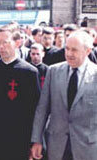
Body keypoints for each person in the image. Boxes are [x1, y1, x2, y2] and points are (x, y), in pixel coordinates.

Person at [30, 30, 97, 160]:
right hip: (57, 145)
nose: (69, 54)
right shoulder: (54, 71)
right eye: (67, 49)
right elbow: (42, 108)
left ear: (88, 51)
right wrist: (36, 140)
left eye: (74, 50)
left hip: (88, 148)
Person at [0, 26, 40, 160]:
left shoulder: (29, 72)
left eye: (5, 42)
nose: (1, 47)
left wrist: (34, 141)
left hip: (19, 137)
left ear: (17, 42)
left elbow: (34, 109)